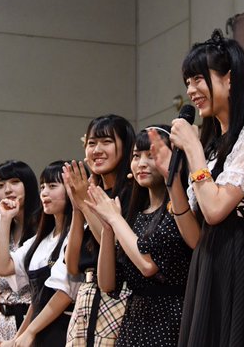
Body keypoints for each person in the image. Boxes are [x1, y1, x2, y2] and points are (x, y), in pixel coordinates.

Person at [151, 29, 244, 346]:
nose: (191, 90)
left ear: (230, 79)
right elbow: (194, 236)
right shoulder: (212, 147)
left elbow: (215, 210)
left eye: (199, 79)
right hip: (208, 264)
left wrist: (193, 149)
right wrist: (171, 180)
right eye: (187, 82)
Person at [88, 126, 191, 346]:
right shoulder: (134, 215)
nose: (141, 163)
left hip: (170, 319)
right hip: (134, 321)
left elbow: (147, 266)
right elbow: (107, 283)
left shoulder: (178, 210)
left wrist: (115, 219)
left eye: (151, 155)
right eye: (136, 156)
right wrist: (108, 227)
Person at [63, 114, 135, 347]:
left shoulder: (133, 192)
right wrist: (78, 205)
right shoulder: (89, 191)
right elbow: (72, 266)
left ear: (126, 145)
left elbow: (115, 246)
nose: (97, 150)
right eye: (92, 143)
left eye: (106, 142)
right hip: (86, 298)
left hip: (119, 297)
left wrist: (85, 204)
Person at [0, 161, 77, 346]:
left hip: (65, 332)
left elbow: (65, 293)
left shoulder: (78, 234)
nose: (44, 192)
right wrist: (5, 219)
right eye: (43, 187)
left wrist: (30, 332)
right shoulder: (40, 241)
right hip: (40, 333)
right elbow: (1, 268)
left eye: (52, 186)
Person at [0, 160, 40, 346]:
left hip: (34, 324)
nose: (7, 190)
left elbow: (43, 293)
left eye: (15, 182)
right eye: (0, 186)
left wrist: (17, 340)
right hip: (3, 325)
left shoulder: (43, 230)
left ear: (28, 185)